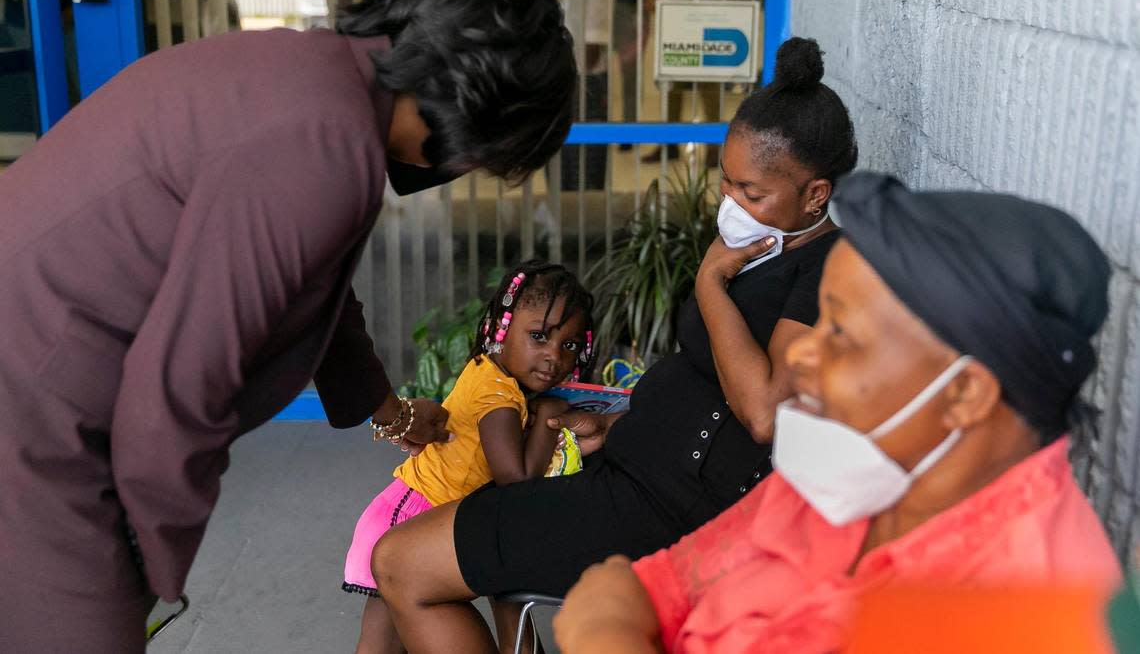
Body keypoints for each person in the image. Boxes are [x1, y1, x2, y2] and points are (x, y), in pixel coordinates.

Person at [0, 0, 576, 654]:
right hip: (34, 396)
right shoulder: (325, 146)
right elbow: (177, 389)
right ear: (474, 111)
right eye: (491, 153)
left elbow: (319, 288)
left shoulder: (326, 84)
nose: (471, 170)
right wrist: (150, 573)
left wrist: (391, 414)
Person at [372, 37, 860, 653]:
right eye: (727, 184)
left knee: (401, 564)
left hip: (665, 512)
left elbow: (762, 413)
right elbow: (706, 375)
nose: (732, 204)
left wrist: (710, 283)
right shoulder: (764, 250)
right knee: (475, 561)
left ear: (815, 195)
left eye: (753, 193)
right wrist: (628, 420)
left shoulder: (827, 271)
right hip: (628, 471)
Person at [553, 172, 1122, 654]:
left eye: (841, 333)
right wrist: (610, 618)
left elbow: (611, 602)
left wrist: (601, 628)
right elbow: (653, 586)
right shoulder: (852, 476)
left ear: (966, 393)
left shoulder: (1024, 615)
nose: (800, 352)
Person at [345, 261, 594, 654]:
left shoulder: (492, 373)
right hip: (412, 517)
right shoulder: (497, 396)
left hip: (422, 511)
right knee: (381, 645)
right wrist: (548, 419)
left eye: (568, 345)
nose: (553, 358)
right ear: (502, 328)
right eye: (538, 336)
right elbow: (515, 480)